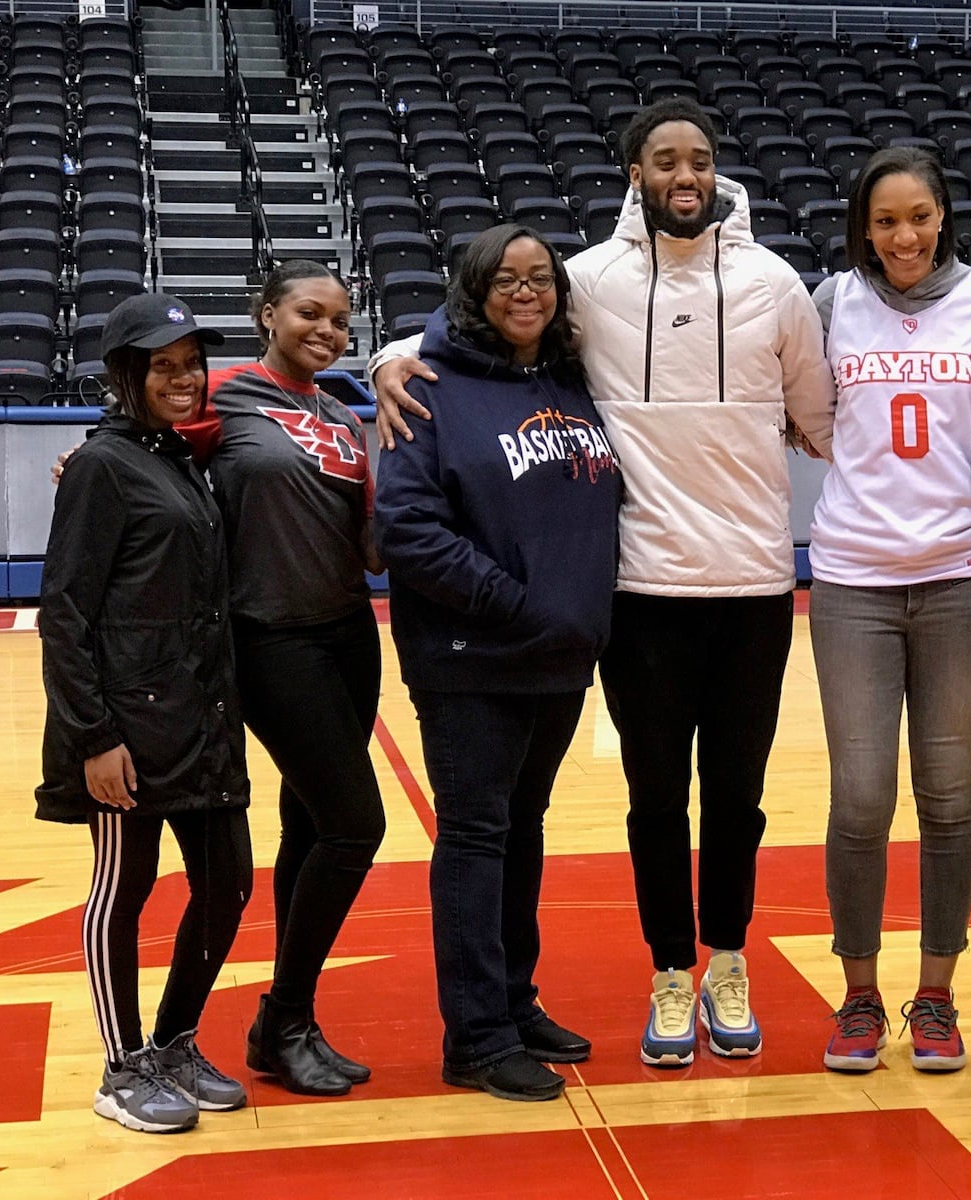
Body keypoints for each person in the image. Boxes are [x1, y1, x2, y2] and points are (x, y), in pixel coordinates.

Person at [370, 98, 835, 1068]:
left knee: (737, 802)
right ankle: (669, 974)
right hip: (639, 595)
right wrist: (386, 359)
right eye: (664, 159)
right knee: (652, 802)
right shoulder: (586, 282)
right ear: (634, 173)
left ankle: (726, 960)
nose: (684, 176)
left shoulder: (776, 284)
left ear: (716, 171)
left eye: (700, 159)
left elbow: (823, 423)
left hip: (752, 586)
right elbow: (476, 320)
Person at [374, 223, 622, 1101]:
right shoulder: (427, 387)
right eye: (506, 279)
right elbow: (402, 529)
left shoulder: (567, 377)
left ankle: (515, 1004)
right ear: (473, 291)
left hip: (558, 656)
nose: (527, 292)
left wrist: (576, 616)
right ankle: (474, 1039)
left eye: (541, 277)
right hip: (473, 658)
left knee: (523, 831)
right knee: (477, 838)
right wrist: (516, 604)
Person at [811, 147, 971, 1074]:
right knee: (860, 797)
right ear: (865, 224)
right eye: (886, 219)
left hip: (963, 578)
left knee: (950, 797)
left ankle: (935, 995)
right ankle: (858, 997)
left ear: (943, 218)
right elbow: (794, 410)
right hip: (853, 578)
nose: (904, 235)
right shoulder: (827, 305)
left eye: (919, 216)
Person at [37, 294, 252, 1133]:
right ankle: (121, 1067)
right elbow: (65, 610)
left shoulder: (185, 459)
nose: (183, 376)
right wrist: (94, 737)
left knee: (227, 884)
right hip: (125, 728)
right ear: (126, 374)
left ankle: (174, 1040)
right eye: (163, 364)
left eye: (191, 362)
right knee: (123, 888)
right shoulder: (101, 465)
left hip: (202, 717)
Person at [179, 261, 386, 1097]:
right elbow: (140, 445)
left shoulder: (340, 412)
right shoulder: (225, 394)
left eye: (340, 322)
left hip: (349, 633)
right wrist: (87, 465)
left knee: (309, 830)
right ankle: (284, 1016)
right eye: (310, 314)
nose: (326, 333)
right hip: (269, 638)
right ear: (268, 313)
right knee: (355, 826)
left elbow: (371, 539)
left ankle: (288, 1027)